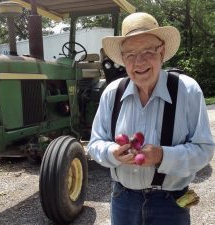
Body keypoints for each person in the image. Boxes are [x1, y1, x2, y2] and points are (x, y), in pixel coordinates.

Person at [87, 12, 214, 225]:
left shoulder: (187, 90)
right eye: (130, 54)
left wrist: (162, 156)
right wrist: (113, 153)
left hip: (170, 204)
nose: (139, 61)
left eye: (148, 51)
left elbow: (204, 150)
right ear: (123, 60)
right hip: (122, 200)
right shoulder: (112, 93)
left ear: (162, 52)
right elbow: (95, 144)